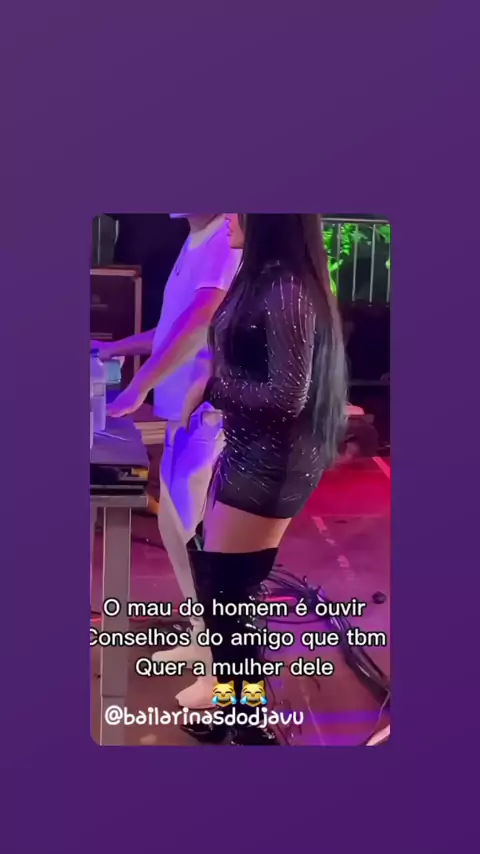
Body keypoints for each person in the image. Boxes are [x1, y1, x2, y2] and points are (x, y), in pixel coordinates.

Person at [179, 214, 348, 745]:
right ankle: (235, 709)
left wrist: (211, 388)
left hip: (271, 461)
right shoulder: (267, 278)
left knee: (229, 597)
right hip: (250, 450)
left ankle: (250, 725)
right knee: (221, 588)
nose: (229, 215)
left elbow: (285, 397)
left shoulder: (286, 288)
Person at [98, 214, 241, 709]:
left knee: (199, 540)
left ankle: (222, 674)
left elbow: (202, 321)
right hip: (183, 414)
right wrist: (116, 348)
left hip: (207, 413)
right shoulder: (195, 239)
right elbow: (174, 329)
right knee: (176, 530)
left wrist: (139, 386)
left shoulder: (224, 237)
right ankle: (202, 643)